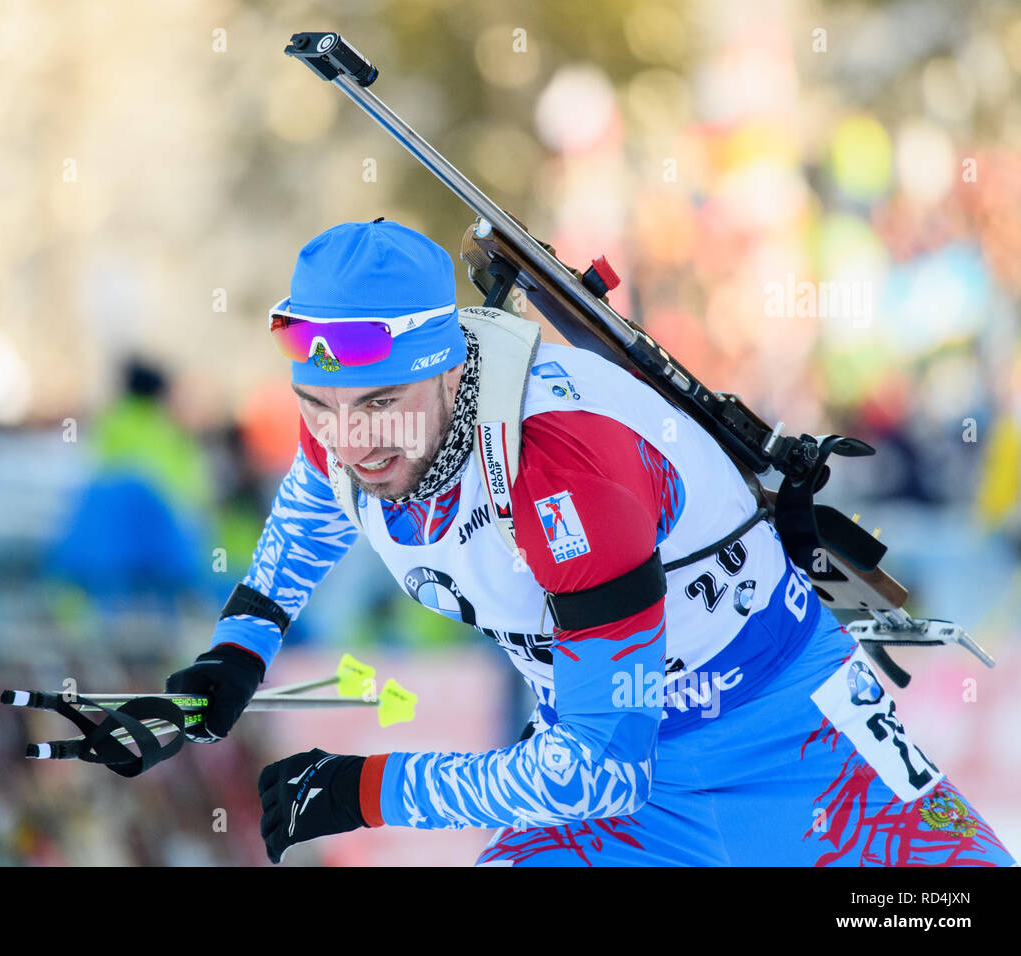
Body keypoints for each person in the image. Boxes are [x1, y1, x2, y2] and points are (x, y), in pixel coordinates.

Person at [165, 219, 1016, 866]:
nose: (349, 442)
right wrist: (239, 648)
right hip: (624, 801)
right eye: (320, 407)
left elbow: (600, 772)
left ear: (449, 365)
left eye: (380, 405)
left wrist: (364, 788)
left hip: (799, 747)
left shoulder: (563, 459)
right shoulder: (351, 415)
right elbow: (314, 506)